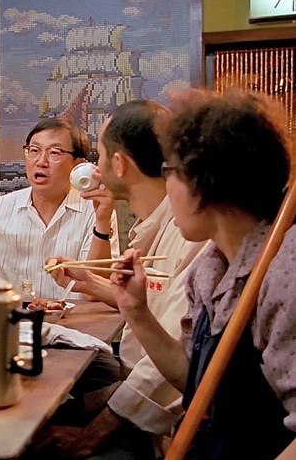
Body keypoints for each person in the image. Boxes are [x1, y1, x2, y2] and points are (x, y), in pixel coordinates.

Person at [110, 89, 296, 459]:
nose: (167, 188)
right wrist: (137, 312)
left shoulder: (283, 273)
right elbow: (195, 383)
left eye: (170, 171)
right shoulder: (209, 268)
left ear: (204, 181)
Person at [36, 100, 207, 458]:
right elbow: (154, 303)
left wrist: (92, 433)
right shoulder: (156, 223)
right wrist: (91, 282)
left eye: (98, 156)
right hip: (133, 381)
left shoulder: (190, 234)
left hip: (166, 424)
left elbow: (165, 369)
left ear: (119, 164)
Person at [0, 117, 119, 298]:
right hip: (11, 314)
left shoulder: (95, 211)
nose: (41, 161)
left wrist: (102, 222)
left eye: (54, 153)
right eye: (34, 150)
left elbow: (96, 292)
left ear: (78, 165)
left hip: (75, 316)